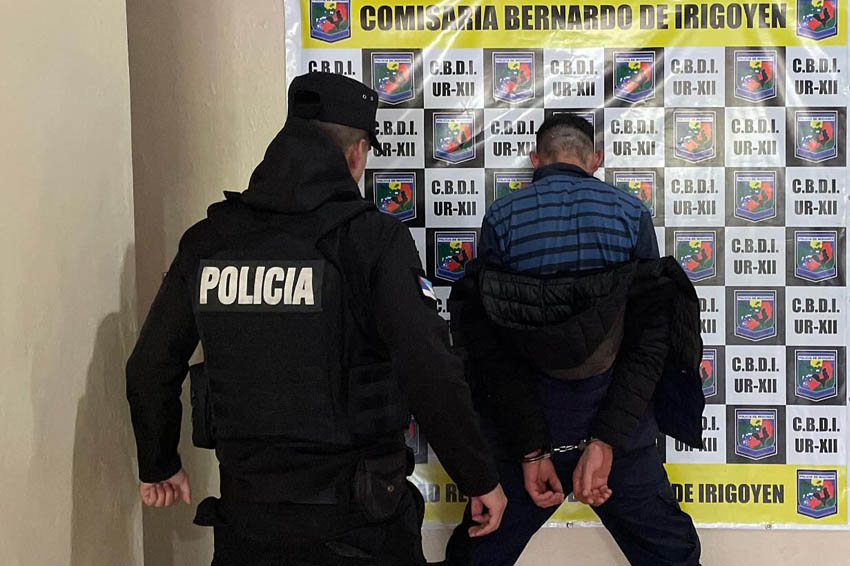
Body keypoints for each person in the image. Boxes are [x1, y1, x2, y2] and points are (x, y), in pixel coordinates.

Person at [126, 72, 506, 566]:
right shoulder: (372, 240)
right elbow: (429, 368)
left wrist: (159, 462)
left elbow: (150, 365)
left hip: (248, 520)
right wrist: (478, 477)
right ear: (356, 153)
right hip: (360, 524)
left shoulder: (209, 240)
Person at [445, 114, 703, 566]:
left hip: (524, 426)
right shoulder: (631, 214)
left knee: (477, 555)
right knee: (672, 557)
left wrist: (531, 450)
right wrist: (607, 440)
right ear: (596, 159)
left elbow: (490, 349)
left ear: (535, 160)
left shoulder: (501, 218)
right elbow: (649, 341)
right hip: (616, 424)